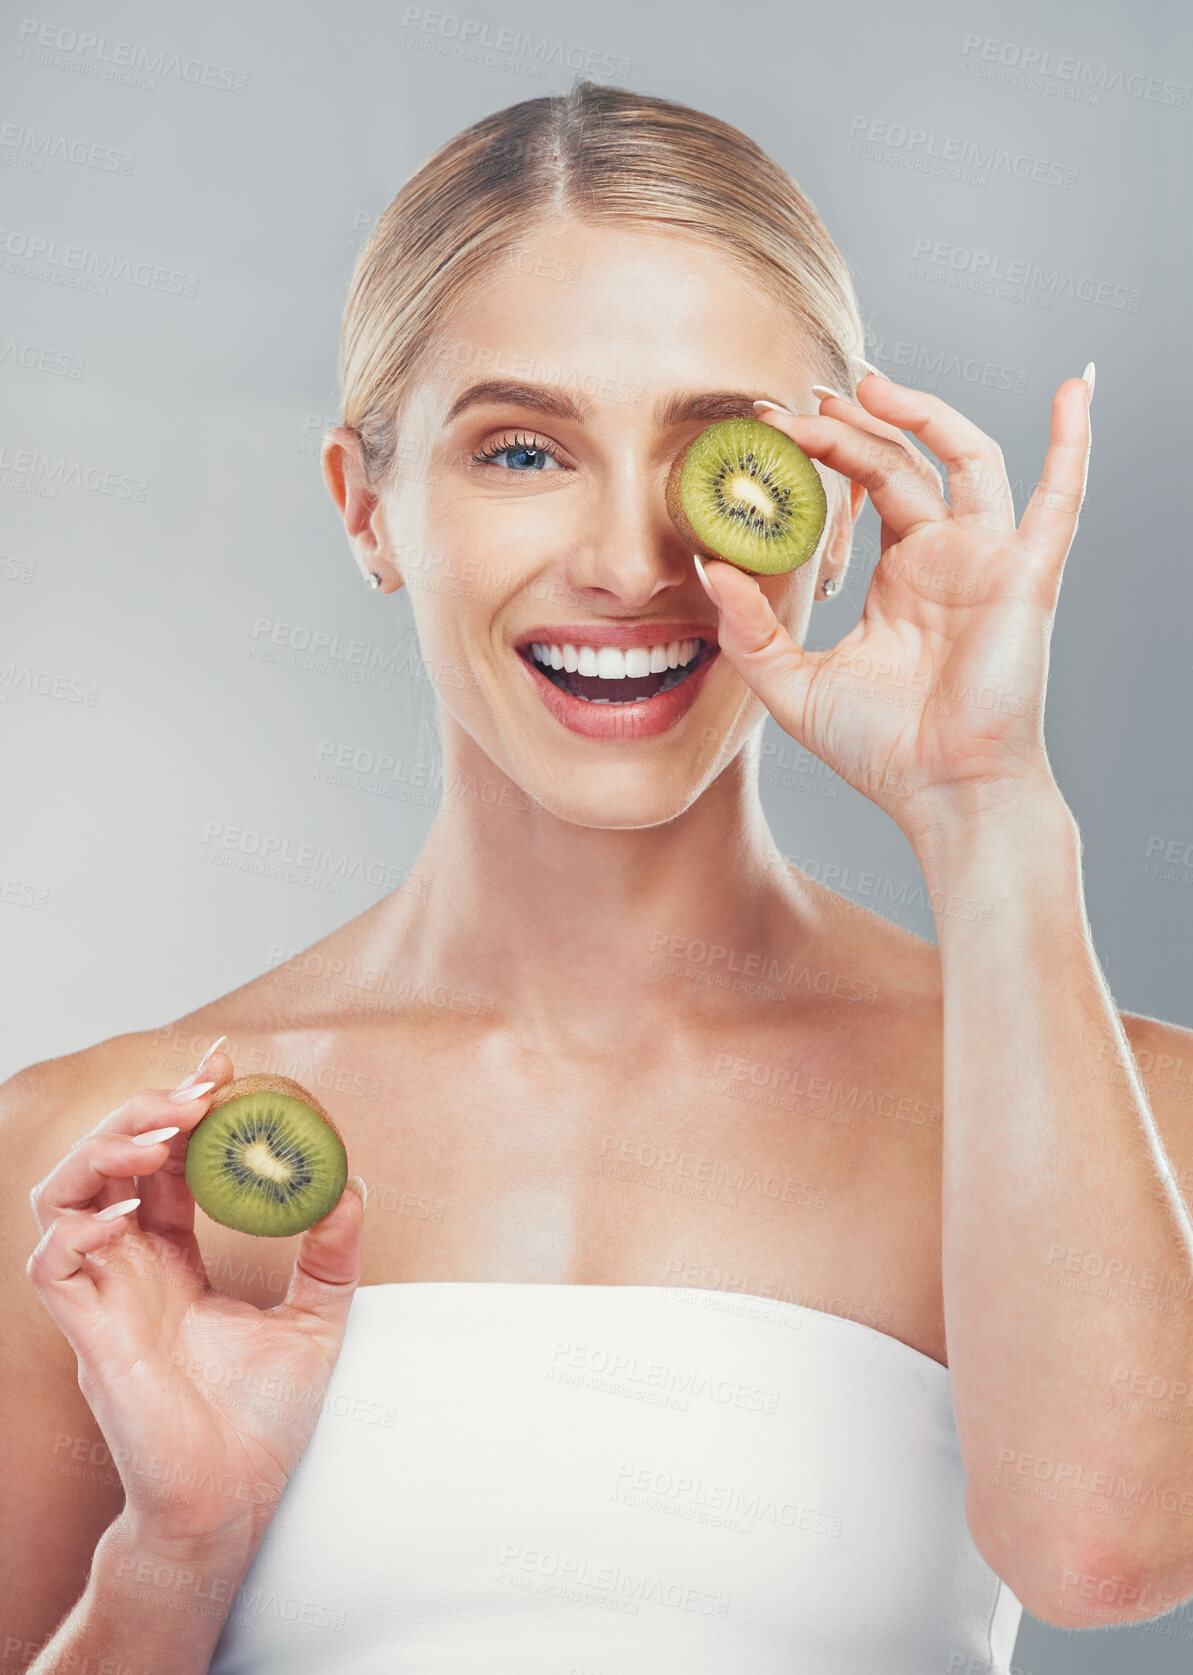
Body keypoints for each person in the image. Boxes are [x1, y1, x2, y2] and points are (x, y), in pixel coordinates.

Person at [4, 77, 1193, 1674]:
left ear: (829, 519)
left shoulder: (1112, 1115)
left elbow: (1107, 1553)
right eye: (519, 453)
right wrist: (179, 1552)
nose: (632, 561)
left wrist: (988, 809)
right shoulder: (94, 1168)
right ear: (370, 510)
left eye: (719, 459)